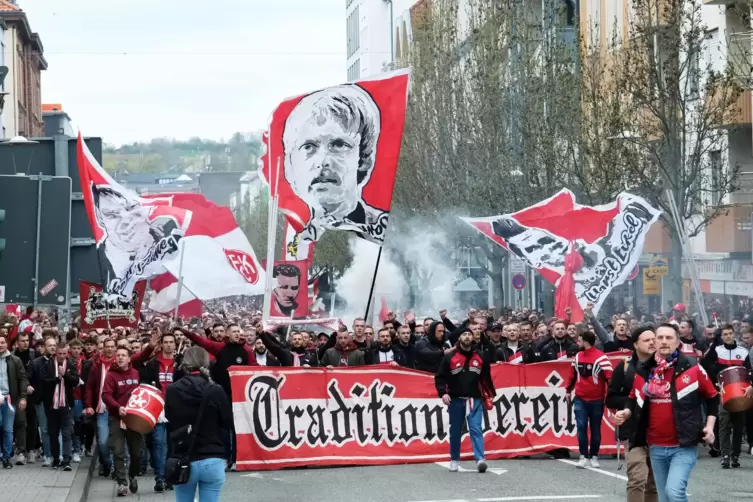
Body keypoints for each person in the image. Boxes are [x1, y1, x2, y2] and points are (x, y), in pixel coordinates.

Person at [614, 323, 718, 502]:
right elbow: (633, 398)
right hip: (656, 446)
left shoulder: (693, 367)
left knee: (674, 492)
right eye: (659, 338)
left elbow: (712, 398)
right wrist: (627, 412)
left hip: (683, 445)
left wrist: (709, 427)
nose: (663, 342)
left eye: (669, 338)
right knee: (663, 498)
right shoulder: (644, 369)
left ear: (678, 342)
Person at [282, 84, 388, 245]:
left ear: (364, 159)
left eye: (338, 145)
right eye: (309, 147)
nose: (323, 161)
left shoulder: (385, 230)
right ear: (290, 168)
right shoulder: (294, 242)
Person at [165, 347, 231, 502]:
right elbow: (228, 421)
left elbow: (170, 417)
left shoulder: (173, 389)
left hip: (184, 456)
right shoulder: (215, 389)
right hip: (212, 455)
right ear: (207, 364)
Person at [606, 326, 658, 502]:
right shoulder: (625, 366)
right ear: (635, 344)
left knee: (654, 483)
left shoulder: (664, 366)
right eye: (647, 340)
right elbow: (610, 399)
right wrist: (634, 402)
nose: (652, 343)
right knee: (637, 479)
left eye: (654, 339)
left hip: (659, 431)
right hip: (633, 431)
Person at [434, 328, 494, 473]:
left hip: (475, 399)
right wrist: (442, 393)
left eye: (469, 334)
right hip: (456, 399)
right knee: (455, 431)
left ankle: (480, 459)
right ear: (459, 338)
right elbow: (440, 376)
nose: (467, 337)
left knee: (476, 429)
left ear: (473, 338)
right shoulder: (450, 357)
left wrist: (490, 394)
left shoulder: (480, 355)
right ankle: (454, 459)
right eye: (464, 334)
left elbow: (485, 377)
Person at [701, 323, 749, 468]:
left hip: (740, 392)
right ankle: (725, 455)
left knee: (739, 425)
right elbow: (704, 365)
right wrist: (714, 380)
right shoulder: (716, 350)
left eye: (730, 333)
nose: (728, 336)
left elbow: (749, 372)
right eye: (725, 334)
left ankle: (735, 455)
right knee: (724, 425)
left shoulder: (743, 351)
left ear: (734, 334)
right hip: (723, 392)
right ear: (721, 336)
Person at [567, 331, 613, 468]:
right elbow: (572, 375)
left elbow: (610, 378)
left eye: (579, 340)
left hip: (597, 399)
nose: (577, 343)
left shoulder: (602, 358)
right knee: (581, 427)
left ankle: (594, 455)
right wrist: (567, 390)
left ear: (586, 342)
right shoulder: (577, 356)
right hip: (580, 398)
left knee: (595, 428)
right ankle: (583, 456)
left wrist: (611, 395)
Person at [102, 346, 143, 497]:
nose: (120, 358)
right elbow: (106, 395)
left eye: (123, 355)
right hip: (116, 417)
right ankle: (122, 483)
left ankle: (132, 475)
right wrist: (117, 407)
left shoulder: (135, 373)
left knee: (136, 453)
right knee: (118, 451)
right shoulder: (111, 376)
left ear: (129, 358)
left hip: (133, 419)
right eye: (118, 355)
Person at [40, 341, 79, 471]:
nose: (62, 356)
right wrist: (57, 378)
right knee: (53, 433)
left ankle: (67, 459)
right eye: (59, 353)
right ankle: (56, 459)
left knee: (67, 433)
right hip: (52, 405)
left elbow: (75, 381)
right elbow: (44, 382)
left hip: (66, 405)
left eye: (64, 353)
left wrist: (66, 375)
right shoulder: (48, 364)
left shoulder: (71, 364)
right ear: (55, 353)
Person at [0, 333, 28, 469]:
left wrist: (23, 397)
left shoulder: (15, 360)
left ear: (7, 344)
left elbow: (23, 379)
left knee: (8, 429)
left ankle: (6, 457)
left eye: (2, 342)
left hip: (9, 400)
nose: (0, 345)